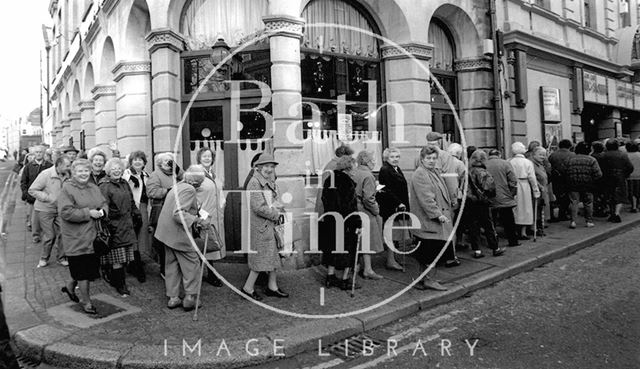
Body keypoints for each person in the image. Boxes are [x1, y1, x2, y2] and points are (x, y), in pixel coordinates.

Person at [58, 159, 108, 315]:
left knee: (87, 270)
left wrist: (103, 212)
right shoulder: (67, 189)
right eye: (80, 171)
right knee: (83, 271)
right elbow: (66, 212)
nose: (84, 174)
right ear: (73, 172)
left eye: (86, 170)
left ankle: (70, 286)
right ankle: (87, 302)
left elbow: (103, 203)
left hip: (93, 237)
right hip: (76, 238)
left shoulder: (93, 187)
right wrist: (89, 213)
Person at [155, 166, 208, 311]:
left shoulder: (178, 185)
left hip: (166, 233)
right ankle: (190, 298)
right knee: (192, 264)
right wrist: (198, 220)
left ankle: (173, 298)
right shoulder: (190, 190)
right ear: (197, 183)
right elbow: (178, 213)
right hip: (178, 234)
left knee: (171, 265)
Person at [241, 154, 289, 300]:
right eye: (266, 166)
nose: (269, 169)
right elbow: (258, 207)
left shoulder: (269, 180)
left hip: (270, 226)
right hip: (261, 227)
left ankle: (272, 287)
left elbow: (272, 201)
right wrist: (276, 213)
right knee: (259, 260)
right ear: (259, 167)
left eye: (272, 167)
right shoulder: (254, 183)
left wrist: (278, 207)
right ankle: (247, 288)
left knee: (273, 257)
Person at [409, 146, 453, 291]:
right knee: (430, 253)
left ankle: (424, 279)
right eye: (428, 158)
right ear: (422, 159)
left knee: (428, 253)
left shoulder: (432, 172)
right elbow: (426, 199)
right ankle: (427, 279)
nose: (432, 161)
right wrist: (437, 214)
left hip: (433, 221)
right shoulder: (421, 174)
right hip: (429, 221)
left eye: (434, 158)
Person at [99, 158, 141, 297]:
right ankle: (120, 285)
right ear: (108, 171)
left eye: (119, 168)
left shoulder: (124, 183)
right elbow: (103, 206)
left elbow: (131, 200)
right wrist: (110, 223)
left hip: (127, 225)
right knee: (117, 258)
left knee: (125, 258)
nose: (117, 171)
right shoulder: (104, 185)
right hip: (114, 226)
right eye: (113, 169)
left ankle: (116, 279)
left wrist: (136, 213)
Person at [320, 156, 361, 290]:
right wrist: (357, 224)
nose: (355, 169)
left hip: (331, 221)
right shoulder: (347, 182)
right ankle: (345, 279)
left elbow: (324, 199)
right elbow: (350, 207)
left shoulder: (329, 179)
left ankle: (330, 277)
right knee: (349, 250)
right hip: (345, 223)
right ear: (348, 168)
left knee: (332, 248)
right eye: (354, 166)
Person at [28, 156, 71, 268]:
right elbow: (32, 190)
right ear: (59, 165)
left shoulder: (68, 175)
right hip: (45, 209)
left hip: (61, 209)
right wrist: (48, 198)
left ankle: (61, 258)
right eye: (67, 166)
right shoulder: (45, 174)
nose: (69, 168)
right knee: (50, 235)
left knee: (63, 233)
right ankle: (44, 258)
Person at [147, 153, 183, 277]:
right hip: (162, 211)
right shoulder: (155, 175)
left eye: (170, 161)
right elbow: (151, 192)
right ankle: (164, 269)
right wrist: (168, 191)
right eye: (166, 161)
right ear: (159, 163)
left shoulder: (175, 174)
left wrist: (177, 168)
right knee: (163, 242)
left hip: (175, 210)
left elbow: (185, 178)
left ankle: (175, 268)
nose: (168, 164)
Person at [195, 147, 226, 287]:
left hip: (216, 215)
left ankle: (206, 273)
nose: (207, 158)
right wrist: (200, 212)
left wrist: (223, 204)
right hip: (204, 216)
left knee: (212, 244)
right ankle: (211, 275)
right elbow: (191, 195)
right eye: (204, 156)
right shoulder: (196, 174)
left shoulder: (213, 174)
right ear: (199, 158)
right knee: (206, 245)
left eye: (209, 156)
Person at [466, 150, 505, 258]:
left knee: (473, 226)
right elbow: (490, 188)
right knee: (488, 225)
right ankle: (495, 248)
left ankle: (477, 250)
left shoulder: (468, 171)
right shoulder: (484, 172)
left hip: (470, 202)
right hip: (482, 202)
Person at [351, 150, 384, 280]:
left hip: (354, 210)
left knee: (360, 241)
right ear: (368, 162)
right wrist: (376, 210)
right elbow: (368, 198)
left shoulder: (354, 172)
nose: (375, 162)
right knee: (367, 242)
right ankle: (368, 269)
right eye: (373, 160)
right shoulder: (368, 175)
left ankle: (357, 267)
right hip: (365, 212)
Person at [376, 147, 408, 271]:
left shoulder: (397, 169)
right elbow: (384, 189)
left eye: (397, 157)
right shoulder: (385, 169)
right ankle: (390, 260)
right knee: (391, 233)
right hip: (391, 207)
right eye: (392, 157)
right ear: (386, 158)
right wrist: (398, 202)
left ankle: (393, 258)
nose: (395, 159)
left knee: (396, 233)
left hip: (398, 206)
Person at [122, 150, 150, 283]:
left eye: (140, 160)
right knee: (132, 236)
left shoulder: (146, 175)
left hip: (143, 208)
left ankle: (135, 262)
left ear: (144, 162)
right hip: (131, 209)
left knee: (141, 236)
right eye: (135, 160)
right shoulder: (127, 175)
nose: (138, 162)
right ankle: (137, 266)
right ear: (131, 162)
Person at [485, 149, 520, 246]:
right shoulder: (505, 163)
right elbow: (513, 181)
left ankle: (493, 243)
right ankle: (513, 241)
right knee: (508, 220)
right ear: (499, 155)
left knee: (491, 221)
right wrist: (511, 194)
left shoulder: (485, 164)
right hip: (504, 196)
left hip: (490, 197)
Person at [564, 141, 602, 228]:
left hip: (573, 183)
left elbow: (564, 171)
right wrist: (593, 180)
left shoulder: (570, 159)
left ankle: (573, 221)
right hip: (588, 184)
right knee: (588, 202)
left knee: (574, 202)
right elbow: (598, 174)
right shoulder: (592, 160)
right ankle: (589, 221)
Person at [20, 145, 52, 243]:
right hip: (32, 196)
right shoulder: (28, 167)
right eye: (37, 152)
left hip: (45, 196)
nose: (38, 154)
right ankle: (36, 235)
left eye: (40, 152)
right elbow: (23, 182)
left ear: (44, 153)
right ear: (34, 154)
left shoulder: (49, 165)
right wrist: (26, 194)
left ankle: (47, 235)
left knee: (46, 217)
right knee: (34, 218)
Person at [510, 142, 540, 239]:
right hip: (524, 185)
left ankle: (515, 230)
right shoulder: (528, 162)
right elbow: (532, 178)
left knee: (515, 208)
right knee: (526, 208)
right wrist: (536, 190)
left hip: (513, 186)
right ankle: (523, 232)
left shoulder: (509, 161)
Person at [314, 145, 354, 216]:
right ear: (343, 157)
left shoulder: (332, 164)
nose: (350, 162)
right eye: (349, 160)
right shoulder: (335, 167)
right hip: (329, 208)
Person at [600, 139, 633, 223]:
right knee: (619, 195)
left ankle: (612, 214)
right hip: (620, 176)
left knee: (609, 195)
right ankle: (617, 213)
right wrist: (625, 174)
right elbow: (630, 167)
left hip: (607, 177)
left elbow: (600, 167)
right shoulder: (623, 155)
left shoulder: (603, 155)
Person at [548, 139, 575, 222]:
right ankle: (564, 214)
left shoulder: (552, 155)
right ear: (569, 146)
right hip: (569, 179)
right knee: (568, 197)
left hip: (556, 179)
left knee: (558, 196)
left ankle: (559, 213)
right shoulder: (573, 155)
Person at [530, 146, 550, 236]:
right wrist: (539, 186)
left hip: (543, 190)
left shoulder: (540, 164)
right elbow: (532, 177)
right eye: (540, 155)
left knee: (541, 209)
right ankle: (536, 228)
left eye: (544, 155)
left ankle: (540, 227)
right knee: (537, 210)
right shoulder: (531, 164)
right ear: (534, 154)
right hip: (537, 191)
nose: (543, 157)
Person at [591, 141, 608, 217]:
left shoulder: (592, 156)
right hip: (604, 177)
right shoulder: (604, 156)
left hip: (594, 178)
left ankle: (596, 208)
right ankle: (603, 208)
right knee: (603, 194)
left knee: (595, 194)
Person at [625, 141, 640, 212]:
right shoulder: (639, 155)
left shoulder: (625, 155)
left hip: (629, 176)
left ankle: (634, 206)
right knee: (637, 191)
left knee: (631, 192)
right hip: (639, 175)